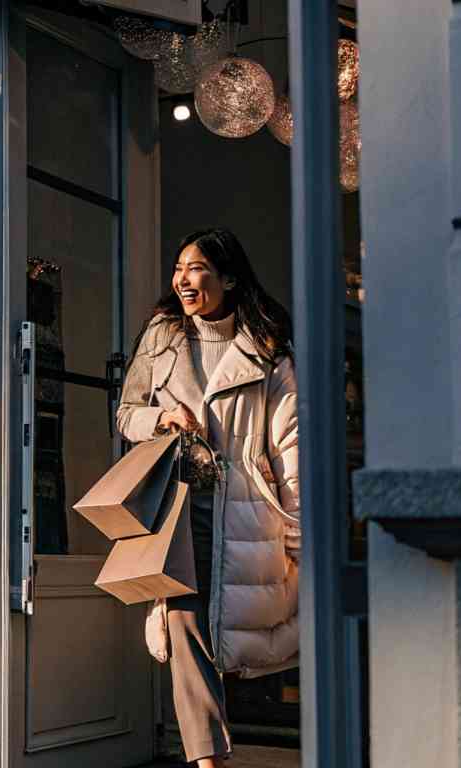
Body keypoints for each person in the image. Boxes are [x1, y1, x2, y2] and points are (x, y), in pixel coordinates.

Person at [116, 228, 300, 768]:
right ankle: (209, 760)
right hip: (177, 505)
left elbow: (289, 443)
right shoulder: (162, 336)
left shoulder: (266, 349)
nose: (182, 279)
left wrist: (297, 528)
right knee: (185, 624)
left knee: (246, 633)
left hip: (245, 507)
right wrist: (161, 417)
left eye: (196, 268)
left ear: (228, 278)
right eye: (179, 268)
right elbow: (127, 415)